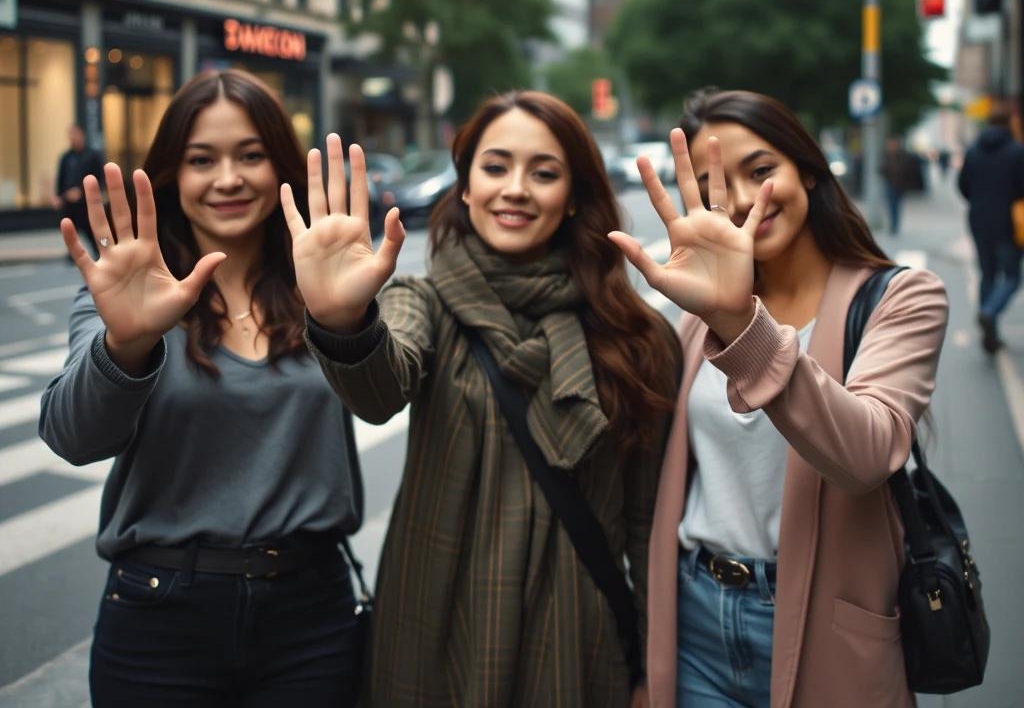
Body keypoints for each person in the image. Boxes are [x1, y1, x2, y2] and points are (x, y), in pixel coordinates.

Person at [284, 91, 682, 707]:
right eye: (495, 167)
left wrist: (654, 671)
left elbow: (648, 525)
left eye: (544, 173)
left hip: (578, 643)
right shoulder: (423, 302)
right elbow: (381, 388)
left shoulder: (638, 337)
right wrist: (342, 319)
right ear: (465, 186)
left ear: (573, 195)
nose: (516, 189)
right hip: (436, 635)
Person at [608, 89, 947, 708]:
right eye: (715, 185)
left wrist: (742, 326)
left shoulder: (902, 299)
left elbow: (865, 456)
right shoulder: (693, 319)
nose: (742, 200)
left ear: (808, 168)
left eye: (761, 171)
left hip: (825, 629)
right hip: (696, 622)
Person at [39, 70, 365, 707]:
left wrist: (349, 318)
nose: (227, 179)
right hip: (159, 619)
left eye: (250, 155)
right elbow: (73, 437)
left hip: (310, 614)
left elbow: (387, 390)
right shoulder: (127, 294)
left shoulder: (325, 287)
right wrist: (127, 343)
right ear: (170, 176)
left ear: (281, 167)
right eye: (201, 160)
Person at [957, 108, 1024, 353]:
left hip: (978, 220)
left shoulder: (974, 151)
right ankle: (989, 312)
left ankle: (990, 335)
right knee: (1012, 277)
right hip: (1009, 224)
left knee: (987, 274)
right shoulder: (1017, 151)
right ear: (1010, 123)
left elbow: (963, 185)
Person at [54, 124, 105, 257]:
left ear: (82, 135)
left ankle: (99, 251)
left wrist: (81, 192)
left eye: (75, 134)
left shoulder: (92, 156)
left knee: (90, 229)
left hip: (86, 202)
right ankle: (73, 253)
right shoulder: (66, 157)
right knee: (70, 228)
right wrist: (59, 196)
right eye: (70, 135)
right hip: (69, 202)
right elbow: (61, 177)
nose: (72, 138)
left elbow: (99, 178)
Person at [879, 135, 922, 235]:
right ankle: (893, 225)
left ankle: (895, 225)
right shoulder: (886, 156)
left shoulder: (903, 156)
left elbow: (909, 170)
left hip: (900, 185)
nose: (892, 147)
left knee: (897, 206)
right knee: (891, 205)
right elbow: (881, 169)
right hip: (890, 184)